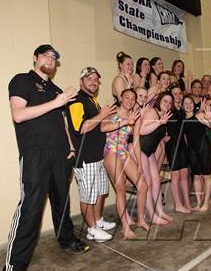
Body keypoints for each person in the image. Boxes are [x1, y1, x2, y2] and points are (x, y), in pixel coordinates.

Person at [2, 44, 89, 271]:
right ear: (35, 58)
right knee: (30, 209)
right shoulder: (21, 81)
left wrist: (71, 147)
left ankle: (66, 239)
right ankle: (13, 270)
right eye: (46, 55)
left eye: (54, 57)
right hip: (35, 153)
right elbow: (18, 115)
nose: (50, 59)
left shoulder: (56, 90)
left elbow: (62, 121)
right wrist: (56, 102)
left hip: (61, 153)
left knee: (62, 202)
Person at [66, 67, 117, 242]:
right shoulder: (76, 101)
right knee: (88, 195)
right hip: (85, 158)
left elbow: (99, 126)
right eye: (89, 78)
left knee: (101, 191)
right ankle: (92, 229)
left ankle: (98, 220)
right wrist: (102, 114)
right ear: (82, 81)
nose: (93, 81)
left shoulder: (92, 101)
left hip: (97, 156)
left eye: (96, 79)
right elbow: (81, 128)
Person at [101, 88, 149, 239]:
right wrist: (125, 122)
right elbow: (103, 128)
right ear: (121, 98)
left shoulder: (136, 116)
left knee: (143, 185)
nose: (129, 100)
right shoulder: (112, 112)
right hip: (111, 150)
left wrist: (140, 163)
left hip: (123, 151)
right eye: (126, 97)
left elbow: (135, 142)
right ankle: (125, 228)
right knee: (120, 187)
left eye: (132, 98)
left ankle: (141, 219)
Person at [140, 92, 173, 224]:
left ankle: (160, 211)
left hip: (150, 152)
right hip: (141, 150)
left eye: (170, 103)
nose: (167, 104)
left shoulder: (163, 115)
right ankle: (152, 215)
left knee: (156, 181)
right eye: (165, 101)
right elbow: (142, 130)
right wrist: (160, 122)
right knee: (147, 182)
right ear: (159, 101)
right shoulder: (152, 112)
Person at [183, 96, 211, 211]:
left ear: (194, 104)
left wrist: (209, 119)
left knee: (207, 176)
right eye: (185, 103)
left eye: (190, 103)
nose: (188, 105)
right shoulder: (183, 120)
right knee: (196, 177)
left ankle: (206, 203)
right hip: (192, 150)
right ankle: (198, 203)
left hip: (204, 148)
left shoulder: (199, 116)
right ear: (182, 106)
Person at [165, 86, 192, 212]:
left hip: (182, 145)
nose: (177, 95)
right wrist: (163, 137)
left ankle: (187, 202)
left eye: (179, 93)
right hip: (172, 145)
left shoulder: (182, 109)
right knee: (175, 175)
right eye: (174, 93)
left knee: (184, 175)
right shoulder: (168, 110)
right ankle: (178, 204)